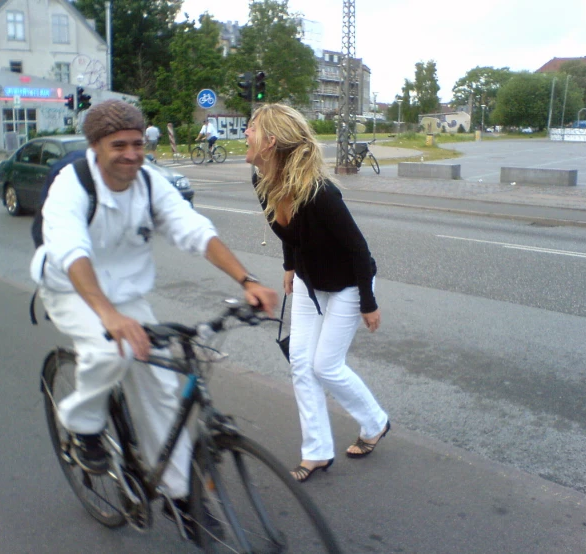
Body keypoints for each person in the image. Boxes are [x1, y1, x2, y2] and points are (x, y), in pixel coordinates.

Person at [29, 100, 277, 528]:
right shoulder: (72, 186)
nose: (130, 153)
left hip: (126, 296)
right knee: (113, 353)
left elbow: (192, 228)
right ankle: (83, 424)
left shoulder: (148, 182)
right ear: (95, 147)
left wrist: (247, 280)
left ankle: (182, 500)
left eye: (137, 143)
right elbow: (72, 252)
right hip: (72, 289)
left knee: (163, 391)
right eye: (118, 145)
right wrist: (107, 316)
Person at [244, 103, 390, 483]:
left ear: (271, 141)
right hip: (310, 283)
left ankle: (374, 423)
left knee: (326, 365)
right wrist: (289, 267)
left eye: (252, 128)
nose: (246, 134)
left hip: (348, 285)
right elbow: (289, 232)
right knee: (299, 363)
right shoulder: (263, 181)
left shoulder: (320, 193)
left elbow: (359, 249)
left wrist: (368, 304)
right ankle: (317, 453)